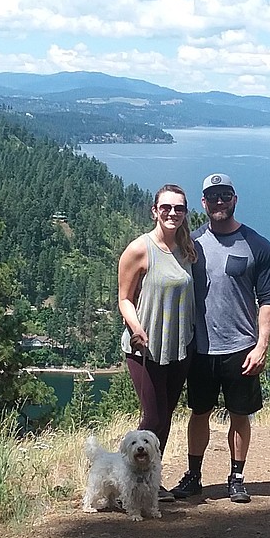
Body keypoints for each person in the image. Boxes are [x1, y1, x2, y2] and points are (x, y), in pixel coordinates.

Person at [171, 173, 270, 504]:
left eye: (224, 196)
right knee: (199, 413)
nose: (219, 202)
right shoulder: (192, 245)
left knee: (239, 415)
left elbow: (269, 300)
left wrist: (261, 347)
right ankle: (193, 477)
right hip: (201, 348)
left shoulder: (257, 245)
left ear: (235, 199)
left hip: (241, 349)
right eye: (212, 196)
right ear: (203, 203)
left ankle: (237, 477)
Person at [116, 183, 197, 502]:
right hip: (145, 349)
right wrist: (135, 327)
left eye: (179, 208)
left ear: (185, 212)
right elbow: (124, 298)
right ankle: (125, 482)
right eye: (166, 207)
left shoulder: (187, 248)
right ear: (155, 211)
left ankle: (150, 485)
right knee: (152, 417)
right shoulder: (139, 249)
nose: (172, 213)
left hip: (179, 346)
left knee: (166, 415)